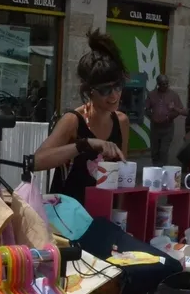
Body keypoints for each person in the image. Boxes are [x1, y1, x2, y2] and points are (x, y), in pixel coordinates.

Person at [35, 30, 129, 203]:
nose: (114, 95)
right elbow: (37, 162)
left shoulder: (121, 121)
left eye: (118, 86)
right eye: (105, 90)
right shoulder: (73, 121)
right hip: (70, 217)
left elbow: (121, 177)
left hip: (105, 213)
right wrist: (85, 144)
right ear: (89, 92)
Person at [145, 74, 184, 165]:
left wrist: (169, 117)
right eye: (163, 84)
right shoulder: (152, 94)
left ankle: (162, 170)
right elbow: (146, 109)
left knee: (163, 150)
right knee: (155, 151)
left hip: (167, 127)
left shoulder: (174, 95)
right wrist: (152, 117)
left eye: (167, 83)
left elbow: (179, 110)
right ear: (158, 84)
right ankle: (155, 168)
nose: (165, 86)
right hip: (155, 127)